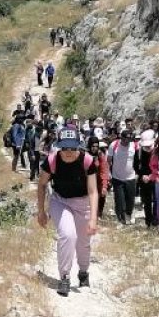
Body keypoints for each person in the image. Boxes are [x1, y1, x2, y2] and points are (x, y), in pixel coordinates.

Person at [36, 127, 100, 297]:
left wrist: (93, 218)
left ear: (78, 147)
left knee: (83, 242)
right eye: (65, 148)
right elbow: (42, 185)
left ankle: (83, 272)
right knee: (68, 234)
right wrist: (41, 211)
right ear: (59, 147)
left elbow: (94, 191)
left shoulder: (87, 161)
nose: (68, 152)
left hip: (83, 203)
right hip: (60, 201)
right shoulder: (51, 161)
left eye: (72, 148)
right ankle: (64, 277)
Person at [107, 128, 138, 225]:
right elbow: (109, 160)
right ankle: (121, 219)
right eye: (126, 139)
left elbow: (138, 160)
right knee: (120, 200)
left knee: (130, 200)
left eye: (129, 139)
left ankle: (129, 214)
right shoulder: (114, 145)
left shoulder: (134, 146)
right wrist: (109, 174)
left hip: (131, 177)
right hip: (117, 177)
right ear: (121, 138)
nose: (127, 142)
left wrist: (138, 174)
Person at [134, 129, 157, 229]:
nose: (147, 147)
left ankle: (156, 219)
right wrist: (141, 175)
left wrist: (153, 175)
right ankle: (148, 221)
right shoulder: (138, 152)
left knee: (157, 200)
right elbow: (135, 165)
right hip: (143, 180)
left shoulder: (158, 152)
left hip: (156, 178)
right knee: (147, 201)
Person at [88, 136, 111, 219]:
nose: (95, 148)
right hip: (87, 182)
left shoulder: (100, 155)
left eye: (96, 146)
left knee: (101, 196)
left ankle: (98, 214)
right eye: (93, 146)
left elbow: (104, 171)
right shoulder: (85, 155)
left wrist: (104, 185)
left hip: (98, 181)